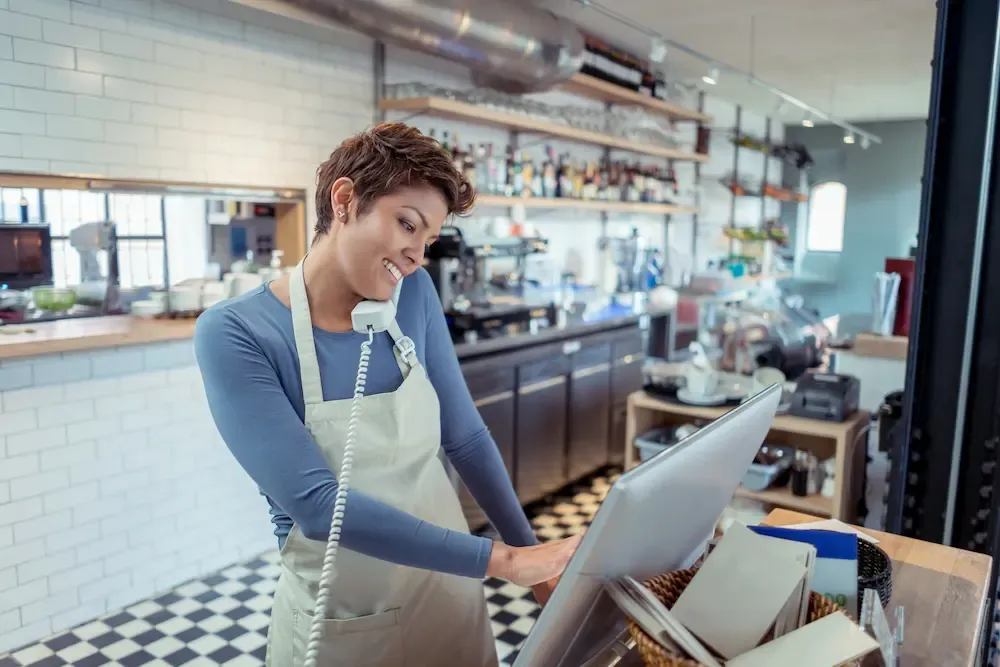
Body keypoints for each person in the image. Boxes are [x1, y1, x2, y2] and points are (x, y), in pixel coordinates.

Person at [194, 122, 582, 667]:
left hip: (449, 595)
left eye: (426, 241)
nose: (416, 256)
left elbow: (465, 437)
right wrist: (503, 562)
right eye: (407, 225)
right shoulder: (237, 333)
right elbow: (316, 506)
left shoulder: (413, 294)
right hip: (345, 622)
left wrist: (535, 557)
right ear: (346, 199)